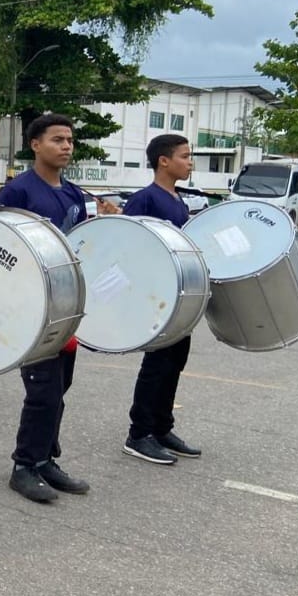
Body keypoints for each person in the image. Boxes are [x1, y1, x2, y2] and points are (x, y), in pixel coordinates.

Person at [0, 113, 92, 502]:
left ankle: (46, 458)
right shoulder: (18, 192)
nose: (66, 146)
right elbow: (1, 248)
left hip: (65, 305)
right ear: (35, 145)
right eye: (57, 140)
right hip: (31, 307)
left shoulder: (73, 194)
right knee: (43, 389)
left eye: (69, 140)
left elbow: (81, 246)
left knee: (60, 386)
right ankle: (24, 465)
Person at [122, 134, 202, 465]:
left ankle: (161, 426)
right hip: (156, 297)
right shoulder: (145, 199)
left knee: (174, 363)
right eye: (185, 156)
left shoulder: (178, 200)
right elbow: (127, 245)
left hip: (180, 297)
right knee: (156, 365)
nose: (190, 161)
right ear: (164, 161)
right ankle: (139, 434)